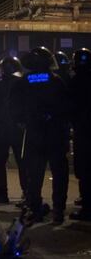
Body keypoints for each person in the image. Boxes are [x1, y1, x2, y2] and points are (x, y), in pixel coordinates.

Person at [10, 47, 70, 225]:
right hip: (55, 134)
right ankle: (58, 210)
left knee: (34, 174)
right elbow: (66, 106)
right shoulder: (55, 80)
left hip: (34, 134)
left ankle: (35, 208)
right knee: (59, 174)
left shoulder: (23, 82)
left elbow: (13, 108)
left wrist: (24, 122)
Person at [0, 56, 26, 204]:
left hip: (2, 129)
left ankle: (2, 194)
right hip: (20, 129)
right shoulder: (24, 84)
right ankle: (27, 193)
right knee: (23, 162)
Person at [69, 48, 91, 221]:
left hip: (83, 131)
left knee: (84, 169)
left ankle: (87, 208)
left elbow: (69, 106)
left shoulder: (75, 81)